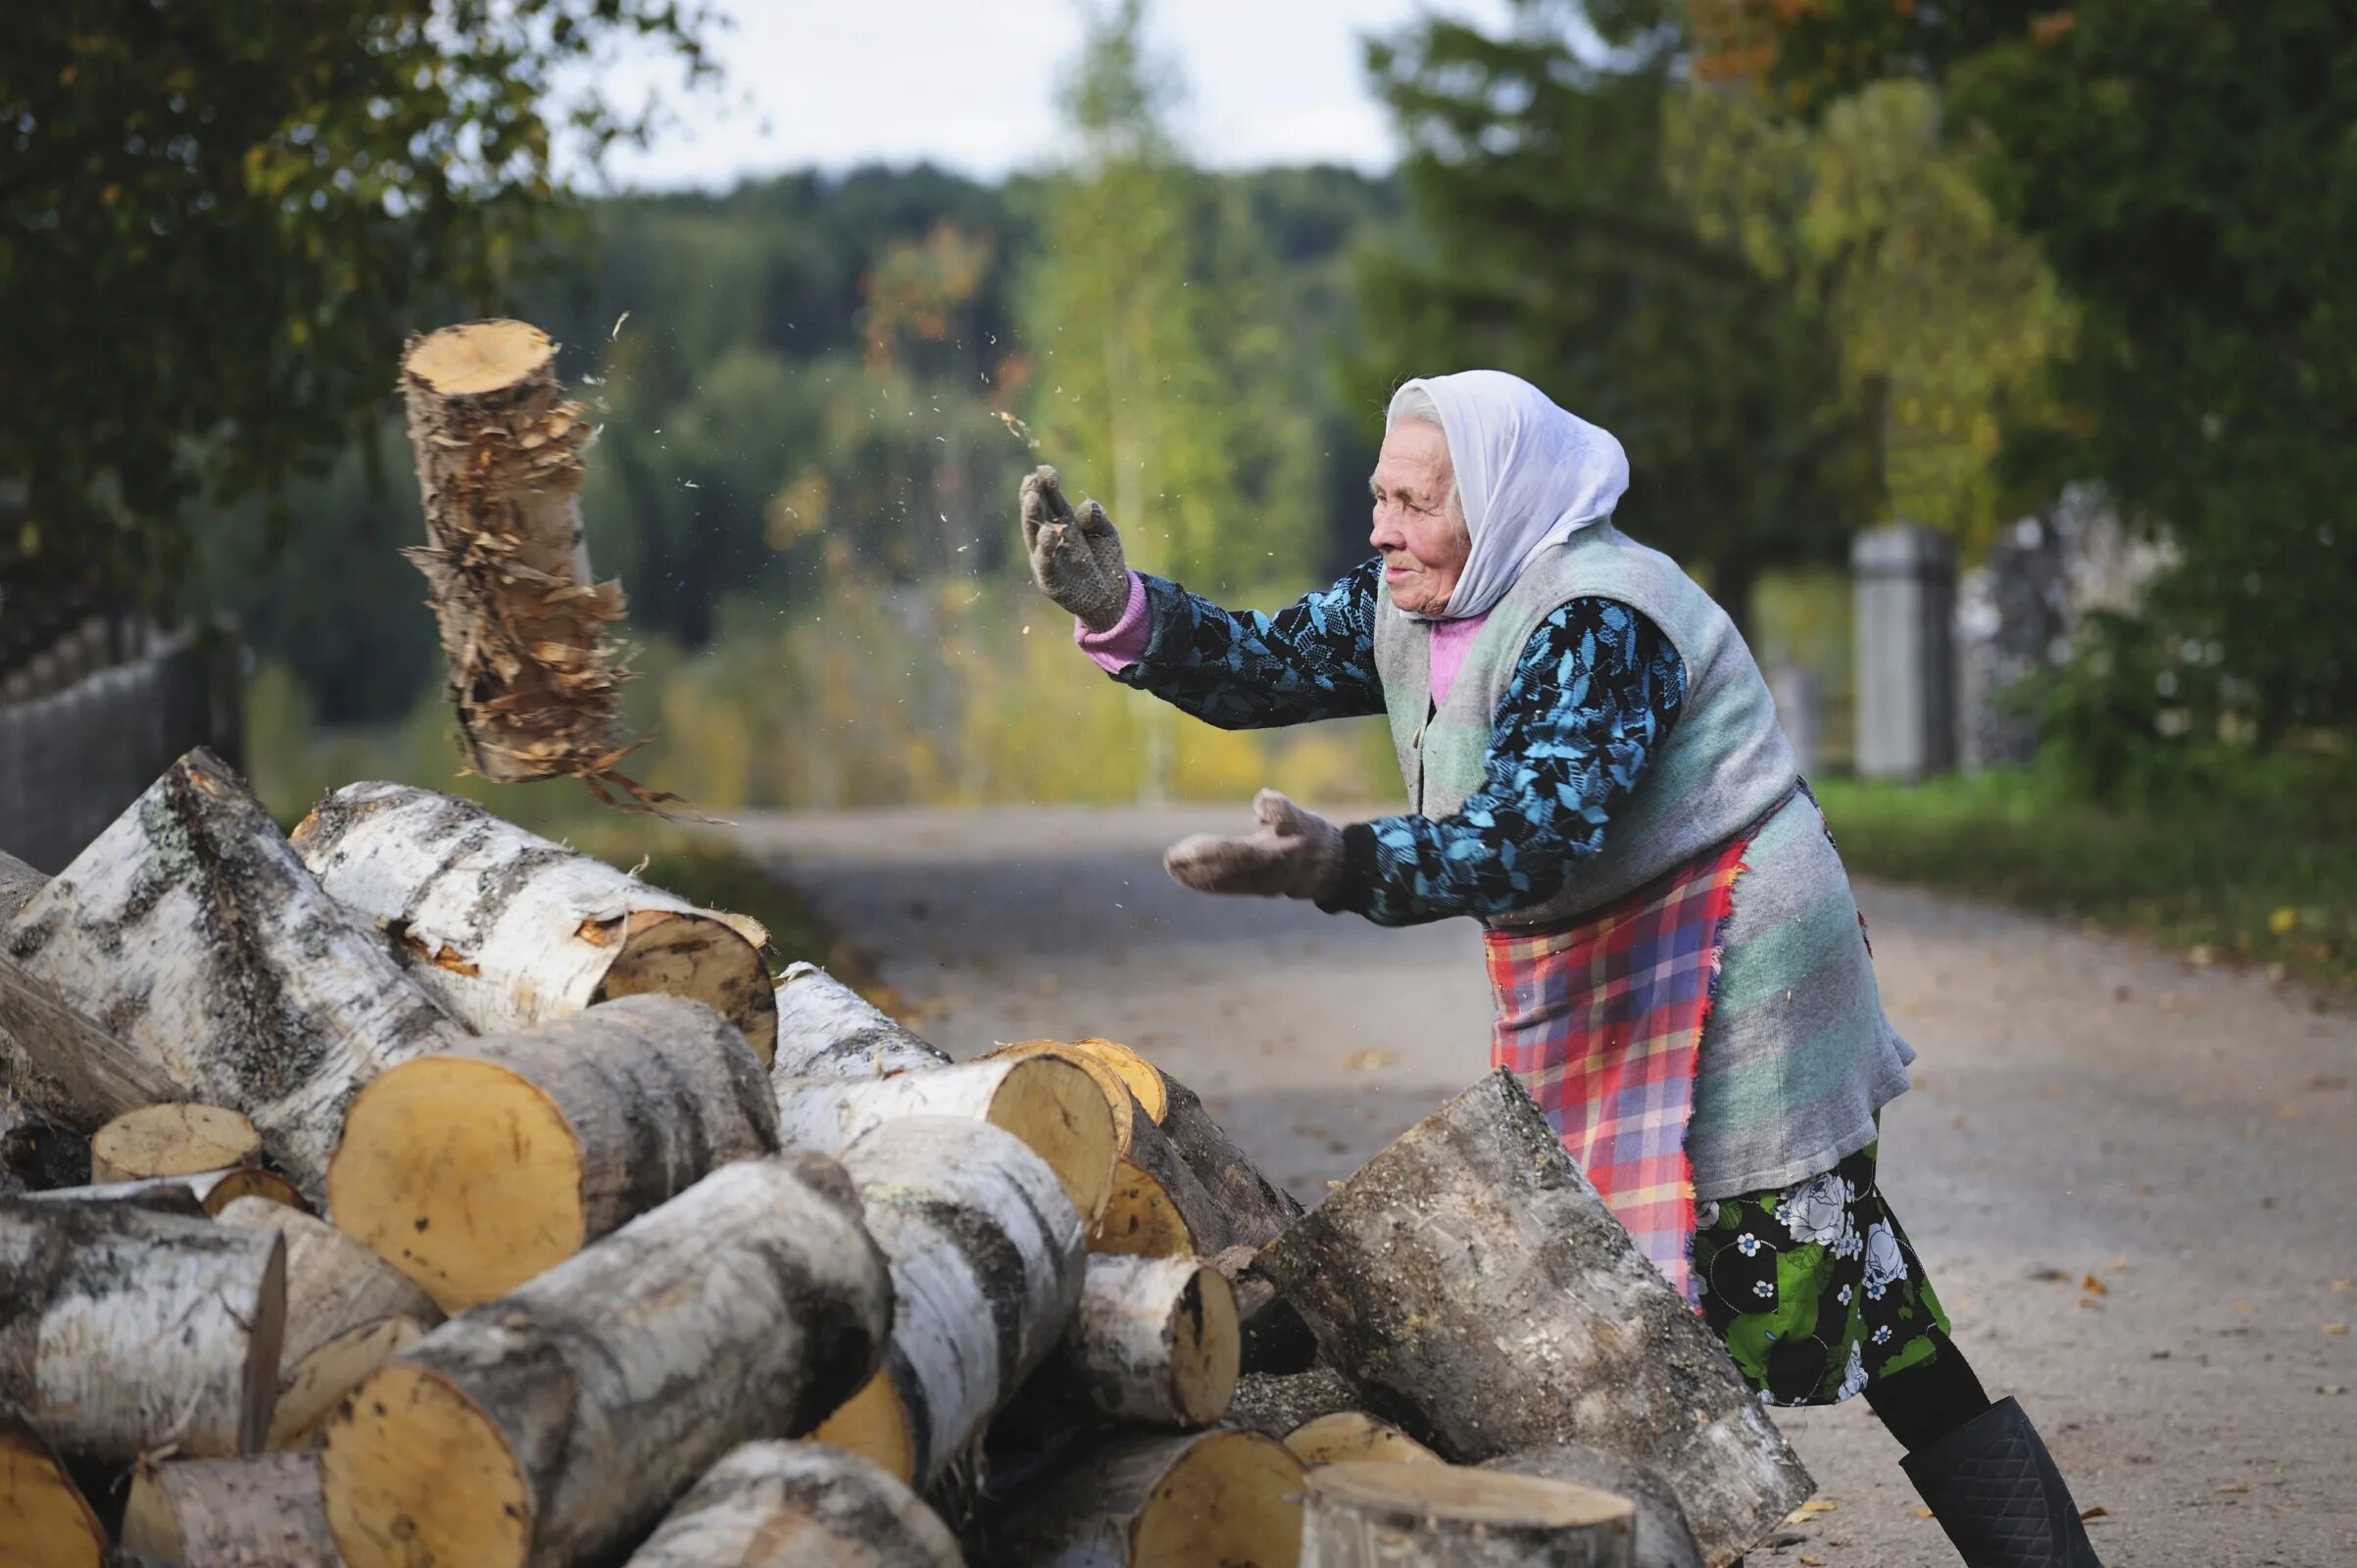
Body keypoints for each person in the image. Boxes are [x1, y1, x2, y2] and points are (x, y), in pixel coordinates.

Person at [1017, 369, 2100, 1568]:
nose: (1380, 526)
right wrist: (1125, 611)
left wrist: (1339, 863)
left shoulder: (1600, 614)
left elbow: (1533, 836)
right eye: (1379, 495)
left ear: (1500, 501)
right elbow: (1269, 663)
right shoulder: (1415, 600)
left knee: (1713, 1284)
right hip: (1617, 954)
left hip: (1733, 957)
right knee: (1714, 1283)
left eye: (1414, 503)